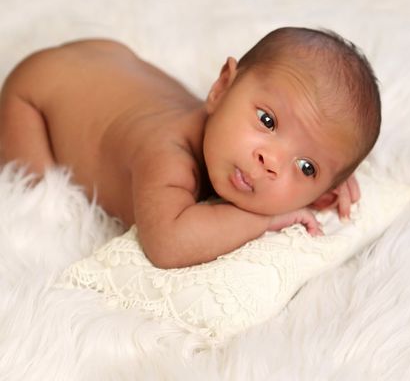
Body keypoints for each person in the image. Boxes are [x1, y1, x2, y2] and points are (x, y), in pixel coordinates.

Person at [0, 27, 381, 268]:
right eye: (267, 121)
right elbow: (167, 244)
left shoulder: (231, 140)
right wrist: (265, 219)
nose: (271, 162)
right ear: (220, 87)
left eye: (306, 167)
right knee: (38, 197)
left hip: (109, 62)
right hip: (36, 95)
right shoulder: (167, 154)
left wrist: (322, 183)